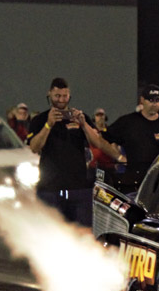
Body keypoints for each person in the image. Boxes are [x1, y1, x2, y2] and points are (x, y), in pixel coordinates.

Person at [27, 77, 123, 225]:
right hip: (50, 187)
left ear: (69, 96)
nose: (61, 100)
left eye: (64, 96)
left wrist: (84, 125)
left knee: (82, 232)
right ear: (49, 94)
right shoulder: (39, 120)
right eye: (57, 96)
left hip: (78, 188)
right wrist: (48, 125)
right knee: (50, 230)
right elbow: (34, 147)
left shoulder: (79, 117)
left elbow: (97, 142)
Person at [104, 84, 159, 191]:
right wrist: (118, 157)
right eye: (150, 100)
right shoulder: (128, 122)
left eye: (157, 100)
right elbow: (103, 139)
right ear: (142, 100)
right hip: (133, 181)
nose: (154, 104)